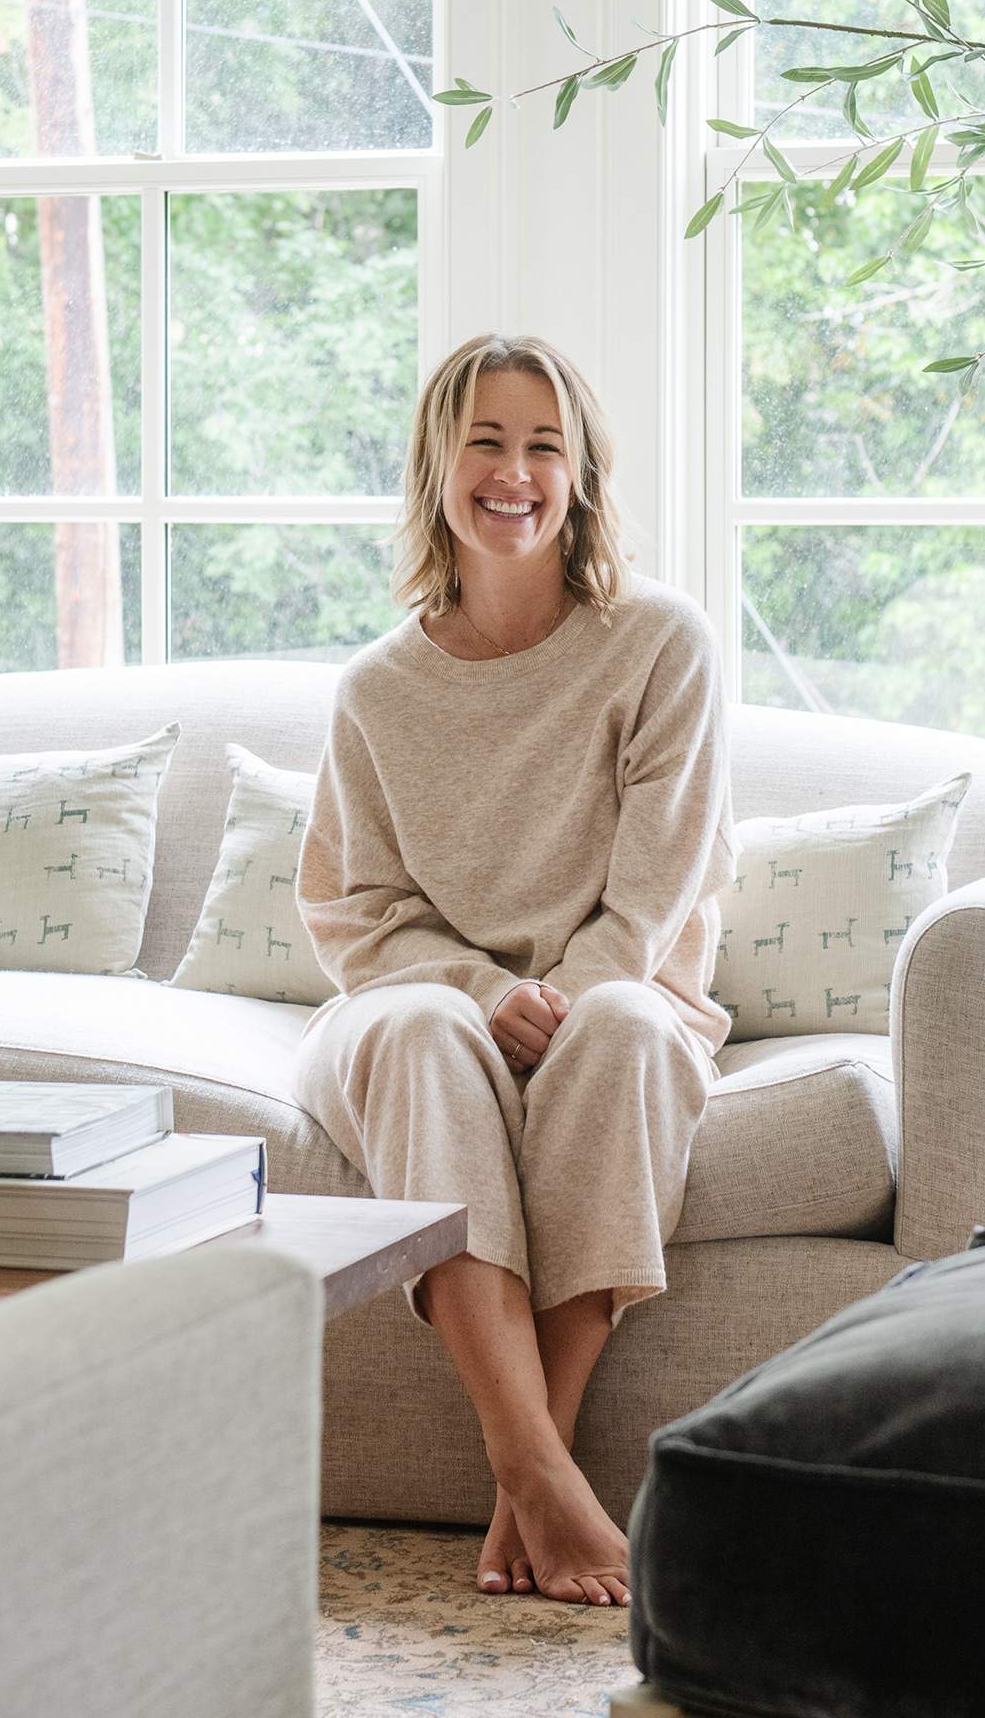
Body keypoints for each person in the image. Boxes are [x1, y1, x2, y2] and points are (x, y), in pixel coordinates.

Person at [293, 333, 735, 1608]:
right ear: (437, 464)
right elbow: (354, 908)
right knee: (428, 1034)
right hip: (414, 1011)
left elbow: (659, 880)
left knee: (625, 1035)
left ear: (581, 472)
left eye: (543, 445)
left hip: (618, 993)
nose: (513, 472)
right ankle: (538, 1469)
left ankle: (524, 1476)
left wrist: (571, 997)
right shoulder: (376, 690)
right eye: (484, 440)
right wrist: (489, 997)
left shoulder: (661, 643)